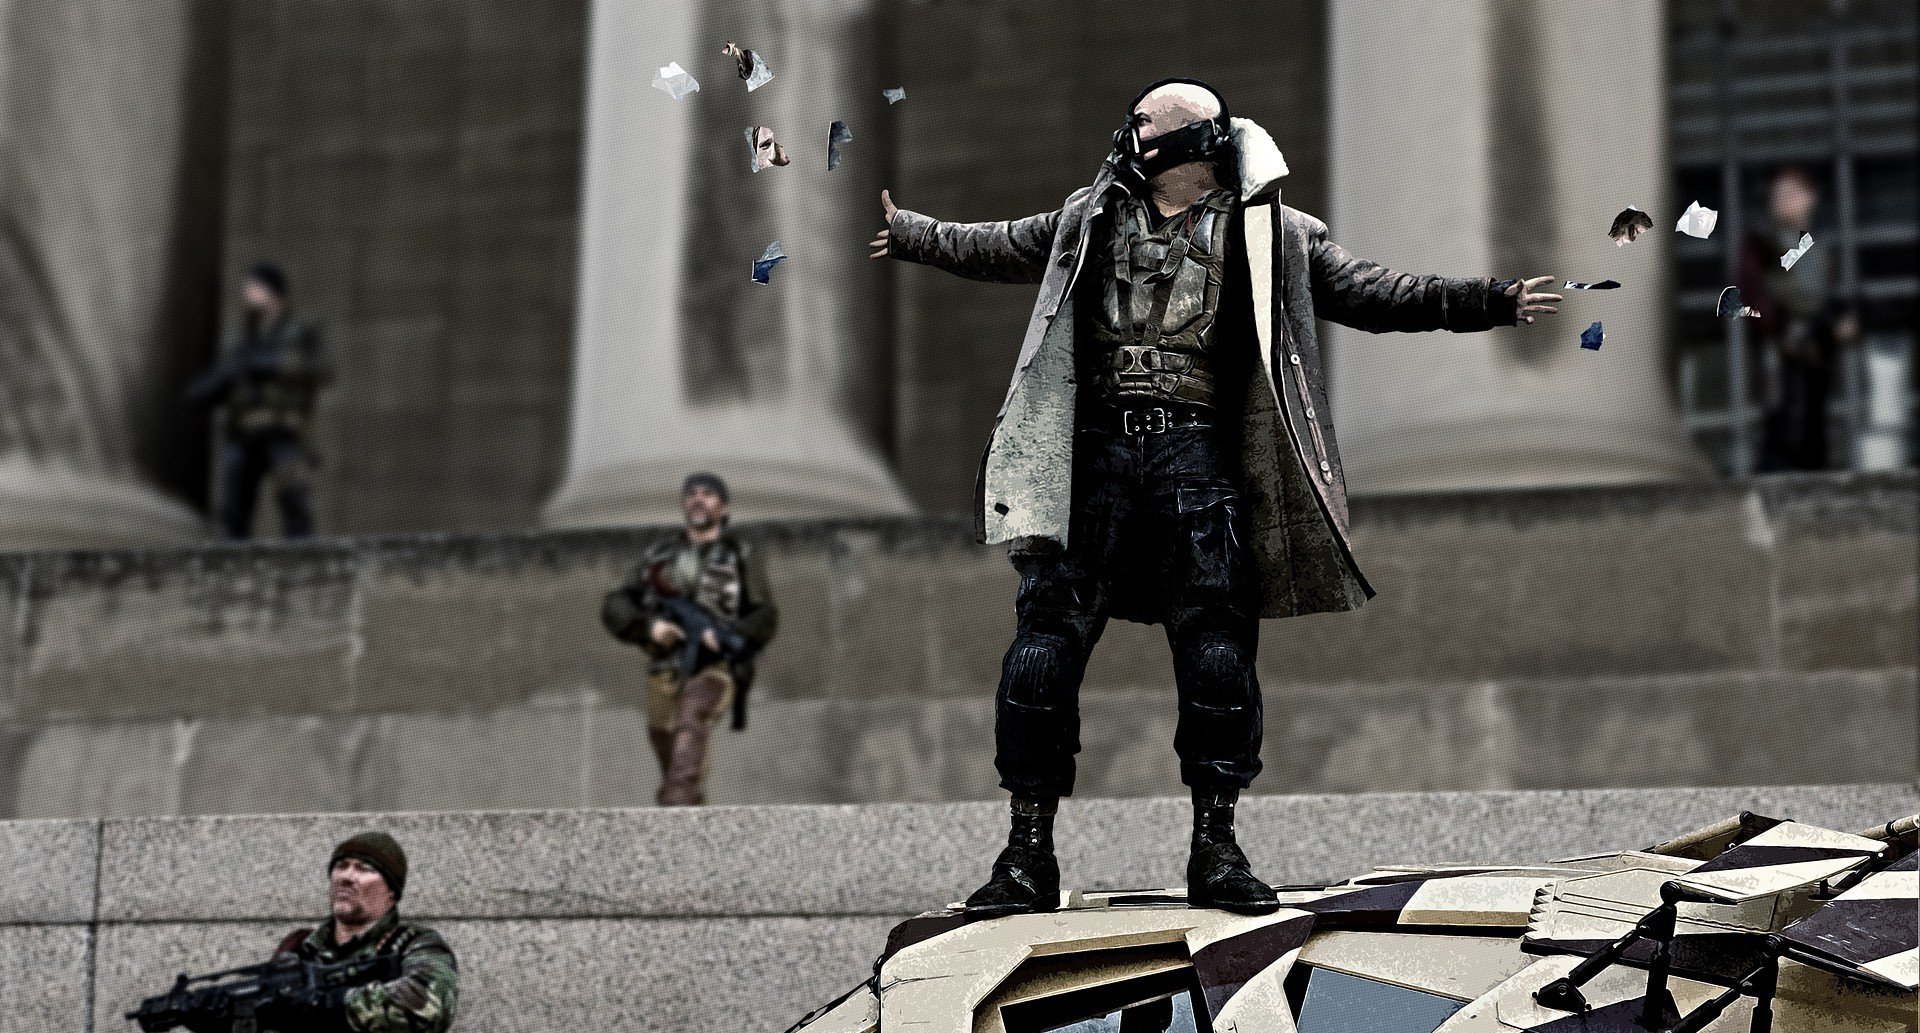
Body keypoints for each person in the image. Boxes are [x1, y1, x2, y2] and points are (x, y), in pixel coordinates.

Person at [869, 78, 1562, 917]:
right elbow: (998, 246)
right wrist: (914, 234)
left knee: (1218, 654)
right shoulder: (1088, 217)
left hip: (1196, 457)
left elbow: (1376, 292)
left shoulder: (1273, 235)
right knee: (1041, 652)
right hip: (1093, 460)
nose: (1130, 133)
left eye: (1145, 123)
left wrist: (1489, 301)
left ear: (1189, 142)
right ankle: (1025, 853)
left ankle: (1217, 847)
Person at [190, 831, 458, 1033]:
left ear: (391, 892)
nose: (346, 877)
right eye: (341, 866)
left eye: (364, 868)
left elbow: (429, 1004)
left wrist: (329, 1004)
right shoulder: (296, 952)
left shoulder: (412, 944)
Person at [601, 473, 780, 806]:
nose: (698, 499)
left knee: (693, 712)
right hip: (666, 666)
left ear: (724, 508)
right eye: (691, 494)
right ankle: (688, 804)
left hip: (718, 665)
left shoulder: (740, 555)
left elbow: (764, 614)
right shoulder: (659, 555)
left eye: (709, 494)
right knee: (667, 741)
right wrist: (650, 628)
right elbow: (616, 603)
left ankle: (678, 801)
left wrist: (728, 636)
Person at [185, 261, 331, 539]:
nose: (247, 292)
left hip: (283, 429)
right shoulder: (242, 335)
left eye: (254, 285)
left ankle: (301, 555)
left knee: (294, 501)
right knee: (233, 509)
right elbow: (223, 376)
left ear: (272, 290)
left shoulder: (300, 328)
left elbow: (321, 368)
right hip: (244, 432)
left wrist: (272, 364)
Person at [1739, 165, 1860, 472]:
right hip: (1783, 342)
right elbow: (1754, 293)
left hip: (1815, 341)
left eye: (1791, 193)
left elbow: (1821, 292)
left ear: (1810, 197)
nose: (1782, 200)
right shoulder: (1762, 243)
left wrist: (1838, 320)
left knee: (1812, 417)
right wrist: (1780, 330)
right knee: (1783, 417)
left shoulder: (1812, 245)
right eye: (1778, 194)